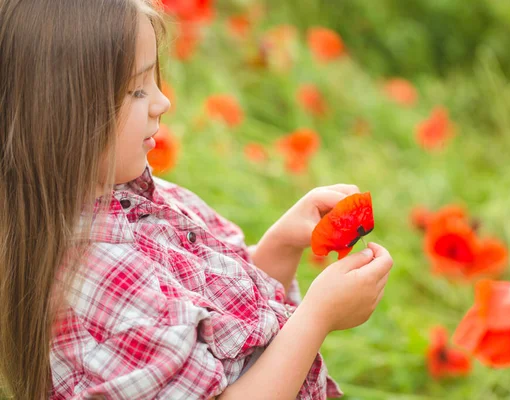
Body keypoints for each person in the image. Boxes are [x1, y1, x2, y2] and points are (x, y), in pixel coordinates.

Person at [0, 0, 394, 399]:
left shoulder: (152, 197)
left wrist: (282, 243)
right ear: (63, 116)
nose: (162, 102)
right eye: (137, 89)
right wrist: (316, 318)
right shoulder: (95, 280)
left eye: (155, 80)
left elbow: (228, 330)